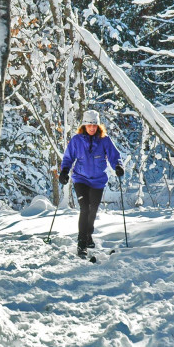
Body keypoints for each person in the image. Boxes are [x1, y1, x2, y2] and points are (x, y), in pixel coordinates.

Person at [59, 109, 124, 258]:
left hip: (98, 181)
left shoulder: (104, 140)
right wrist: (64, 171)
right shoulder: (76, 140)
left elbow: (115, 156)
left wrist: (118, 166)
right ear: (84, 125)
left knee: (93, 209)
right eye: (89, 125)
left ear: (98, 126)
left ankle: (88, 235)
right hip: (81, 179)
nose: (92, 128)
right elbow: (68, 158)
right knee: (84, 208)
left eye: (95, 125)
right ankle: (82, 243)